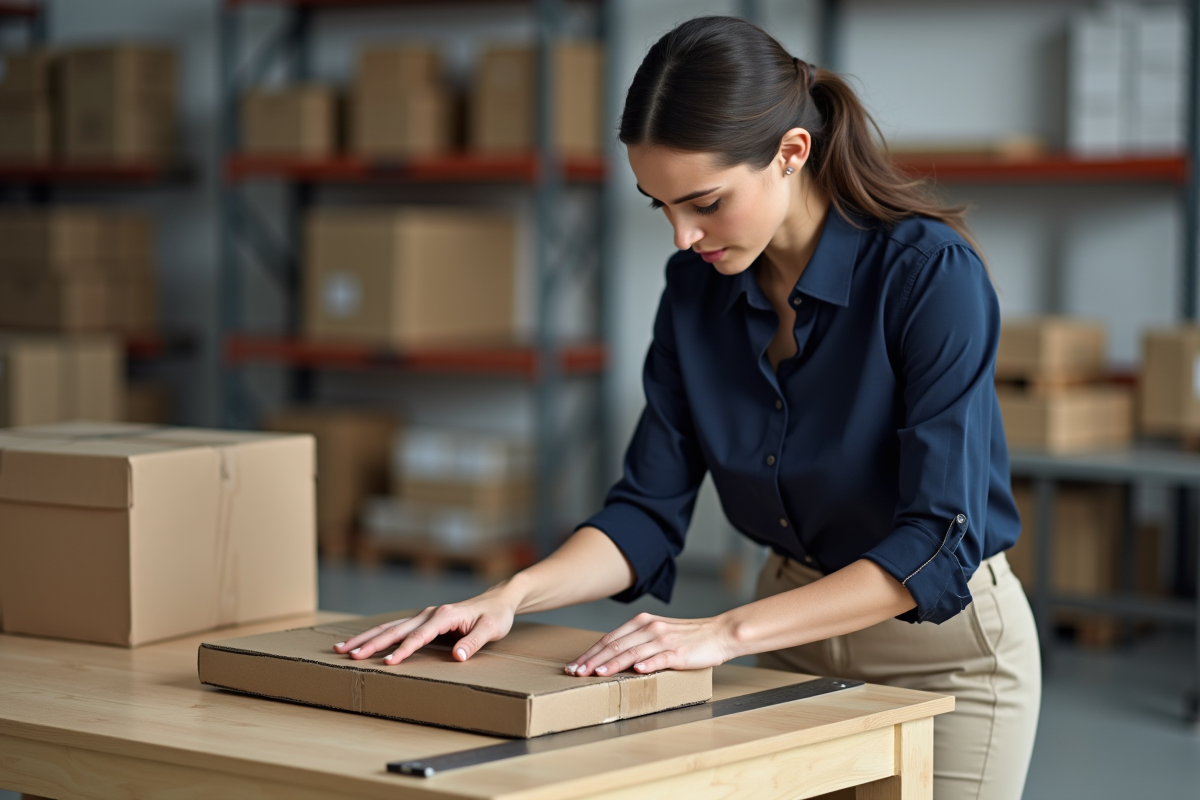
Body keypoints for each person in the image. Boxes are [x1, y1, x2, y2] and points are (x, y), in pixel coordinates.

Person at [334, 16, 1040, 800]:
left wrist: (724, 632)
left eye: (704, 201)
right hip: (790, 636)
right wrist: (508, 597)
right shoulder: (693, 293)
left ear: (790, 154)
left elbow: (937, 541)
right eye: (659, 205)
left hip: (943, 652)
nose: (681, 235)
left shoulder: (928, 276)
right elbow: (646, 510)